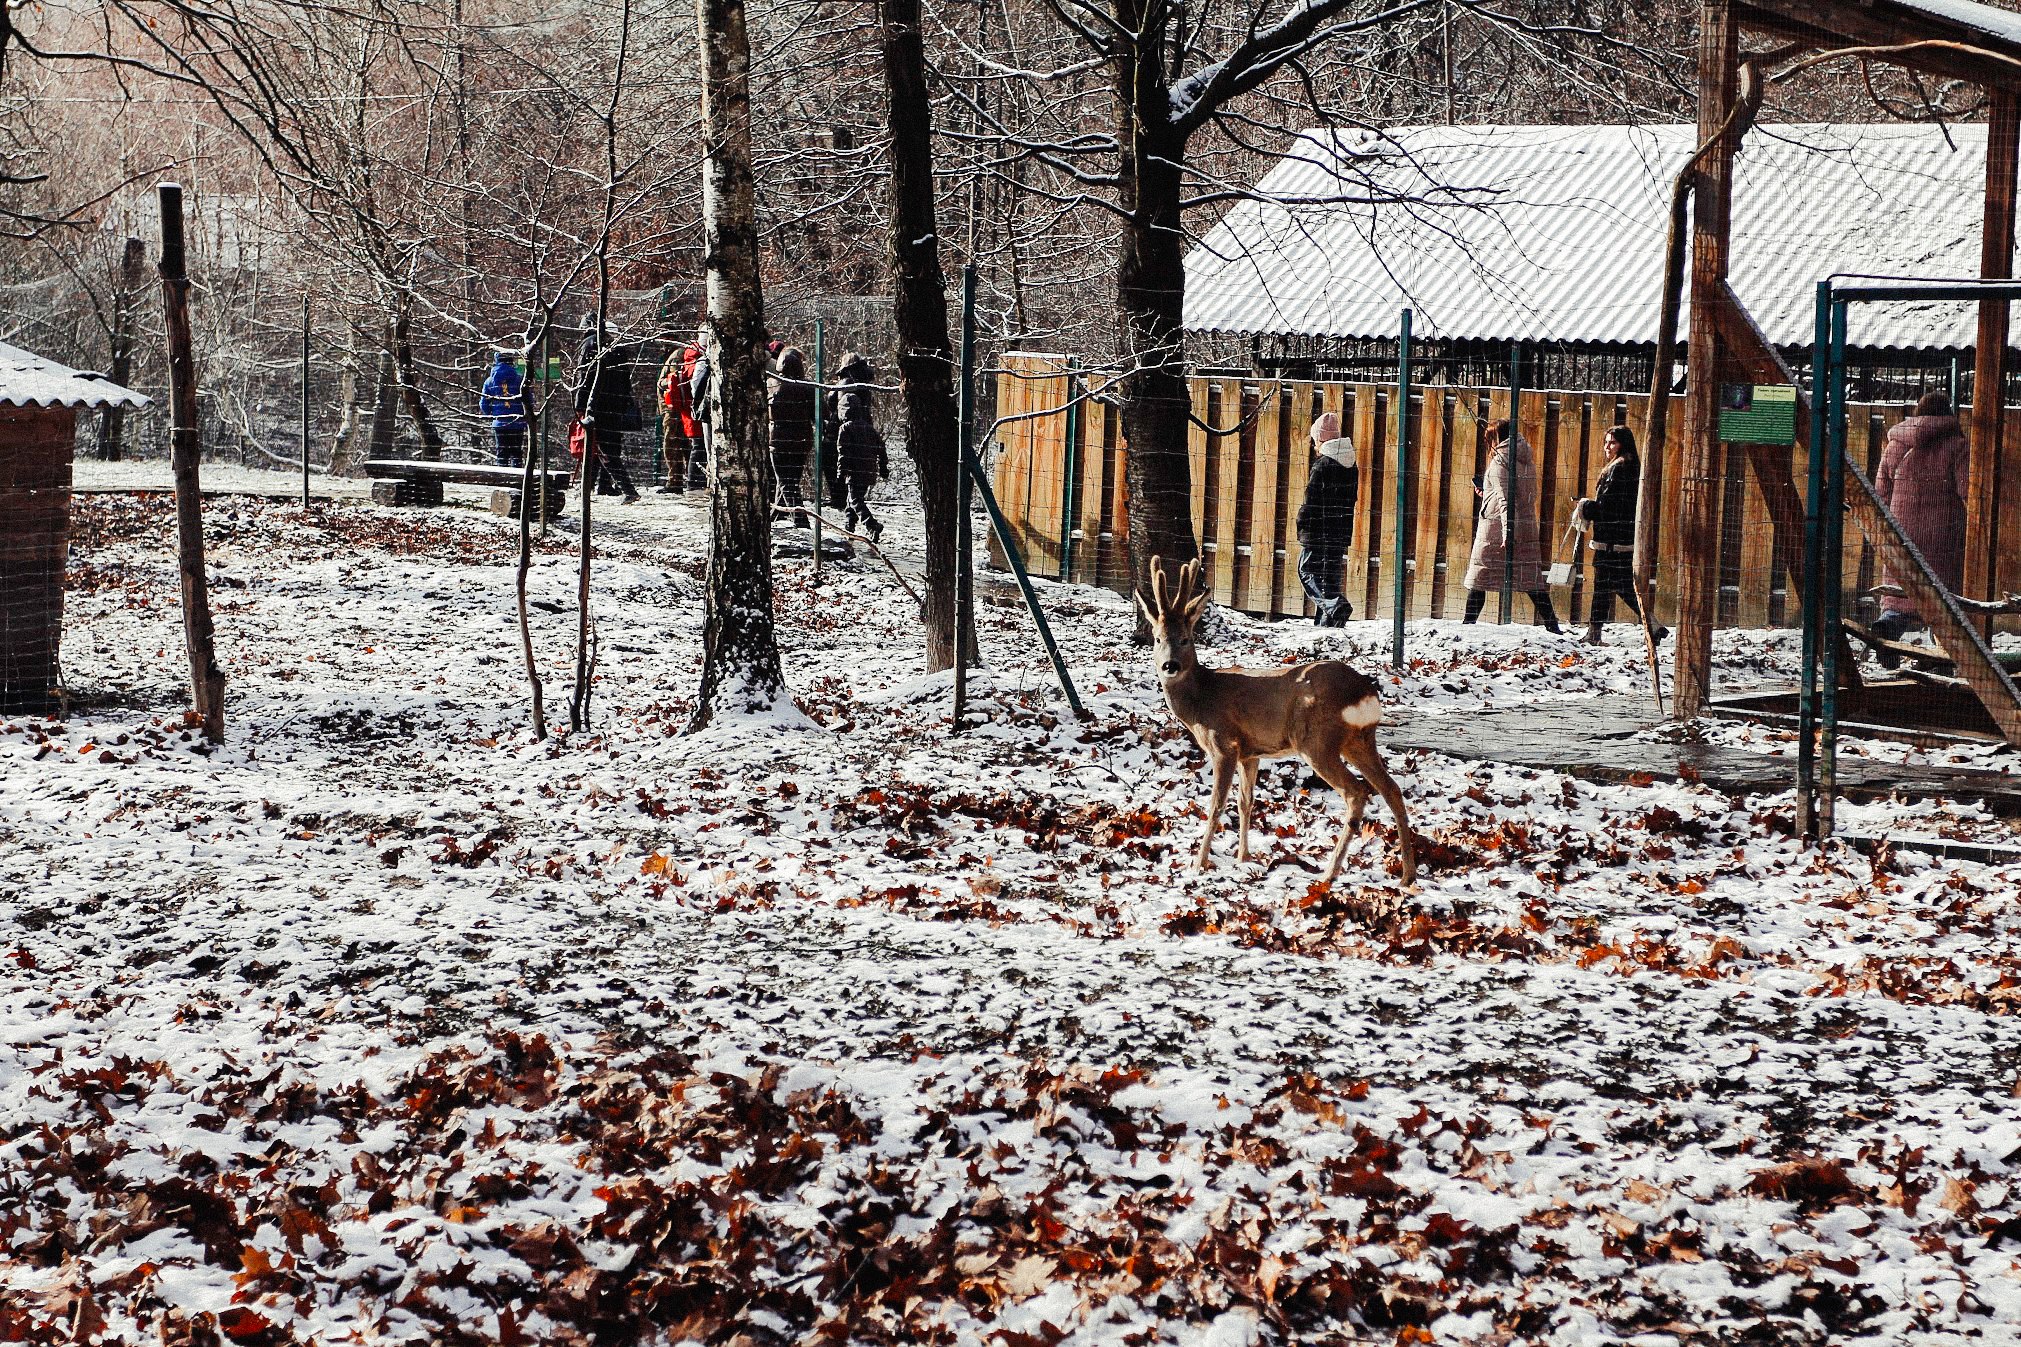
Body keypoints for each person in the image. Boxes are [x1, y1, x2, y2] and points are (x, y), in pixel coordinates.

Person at [1872, 390, 1971, 654]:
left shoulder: (1895, 444)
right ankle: (1941, 656)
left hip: (1901, 529)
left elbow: (1880, 492)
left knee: (1899, 588)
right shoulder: (1957, 445)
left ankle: (1889, 630)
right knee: (1942, 598)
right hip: (1943, 531)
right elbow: (1967, 490)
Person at [1462, 419, 1562, 632]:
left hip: (1498, 532)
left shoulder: (1500, 461)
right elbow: (1521, 493)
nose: (1489, 445)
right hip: (1525, 525)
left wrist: (1508, 531)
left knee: (1479, 577)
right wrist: (1487, 493)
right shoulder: (1524, 458)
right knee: (1532, 581)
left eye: (1490, 439)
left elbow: (1507, 499)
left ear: (1497, 438)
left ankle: (1467, 626)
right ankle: (1553, 626)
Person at [1573, 424, 1667, 646]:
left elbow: (1609, 508)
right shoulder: (1629, 466)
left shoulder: (1620, 468)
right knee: (1608, 587)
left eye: (1612, 442)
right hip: (1618, 538)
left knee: (1616, 587)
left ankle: (1650, 625)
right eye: (1605, 441)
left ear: (1623, 444)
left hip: (1612, 540)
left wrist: (1585, 507)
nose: (1607, 446)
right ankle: (1597, 633)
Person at [1294, 411, 1358, 627]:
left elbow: (1311, 500)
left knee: (1307, 570)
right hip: (1340, 532)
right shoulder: (1350, 465)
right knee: (1329, 576)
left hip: (1317, 531)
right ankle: (1328, 626)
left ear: (1320, 439)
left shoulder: (1322, 465)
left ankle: (1335, 605)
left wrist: (1301, 522)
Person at [572, 325, 641, 504]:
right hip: (616, 405)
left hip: (597, 405)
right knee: (601, 447)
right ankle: (593, 488)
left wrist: (580, 405)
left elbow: (584, 376)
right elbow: (626, 379)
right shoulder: (617, 346)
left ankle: (628, 490)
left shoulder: (589, 344)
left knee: (601, 449)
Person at [826, 351, 886, 542]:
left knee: (854, 496)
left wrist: (840, 471)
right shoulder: (865, 383)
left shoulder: (845, 384)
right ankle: (849, 525)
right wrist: (883, 466)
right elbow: (881, 448)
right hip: (866, 448)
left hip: (850, 448)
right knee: (854, 494)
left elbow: (830, 401)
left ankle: (871, 524)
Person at [769, 346, 816, 527]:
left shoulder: (772, 384)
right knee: (791, 481)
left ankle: (800, 520)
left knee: (786, 482)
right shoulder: (808, 387)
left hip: (778, 440)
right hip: (802, 440)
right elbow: (821, 413)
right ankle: (776, 515)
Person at [656, 340, 702, 494]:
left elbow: (674, 382)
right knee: (686, 445)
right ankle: (685, 478)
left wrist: (663, 384)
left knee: (673, 444)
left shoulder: (677, 356)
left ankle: (675, 480)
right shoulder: (680, 354)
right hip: (679, 407)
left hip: (673, 407)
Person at [479, 350, 529, 467]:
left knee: (502, 454)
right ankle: (519, 481)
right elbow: (529, 400)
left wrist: (493, 414)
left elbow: (484, 404)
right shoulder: (519, 380)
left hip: (500, 422)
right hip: (517, 421)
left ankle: (503, 480)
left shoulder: (489, 381)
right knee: (517, 453)